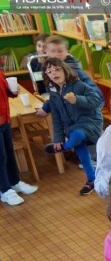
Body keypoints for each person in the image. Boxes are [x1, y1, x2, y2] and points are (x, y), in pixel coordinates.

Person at [42, 58, 103, 195]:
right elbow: (56, 118)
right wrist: (58, 138)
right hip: (71, 127)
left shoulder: (78, 85)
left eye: (57, 69)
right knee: (83, 156)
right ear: (47, 75)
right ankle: (91, 180)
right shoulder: (53, 93)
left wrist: (77, 99)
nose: (54, 73)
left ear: (65, 70)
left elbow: (96, 100)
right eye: (49, 71)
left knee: (78, 135)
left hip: (89, 122)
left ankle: (66, 147)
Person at [36, 35, 104, 116]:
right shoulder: (53, 67)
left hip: (90, 102)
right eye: (53, 51)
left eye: (60, 51)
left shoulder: (69, 70)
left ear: (66, 52)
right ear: (46, 51)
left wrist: (45, 108)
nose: (57, 54)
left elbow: (61, 94)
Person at [0, 70, 38, 206]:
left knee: (9, 153)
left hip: (4, 118)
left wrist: (11, 92)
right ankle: (4, 190)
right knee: (1, 156)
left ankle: (14, 182)